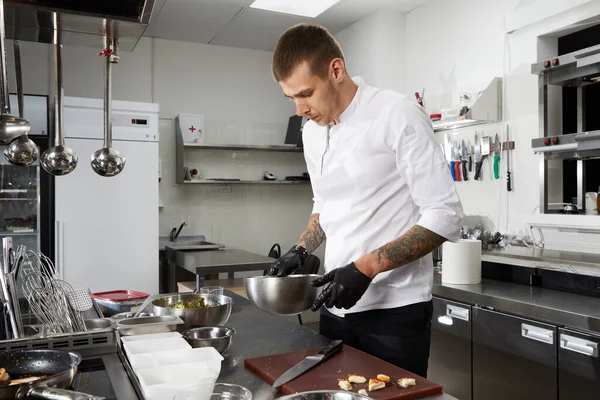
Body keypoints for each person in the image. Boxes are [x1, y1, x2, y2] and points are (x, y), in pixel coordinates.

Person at [267, 23, 463, 378]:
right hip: (335, 304)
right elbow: (323, 203)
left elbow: (445, 216)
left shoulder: (395, 113)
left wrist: (366, 268)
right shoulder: (312, 132)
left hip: (395, 313)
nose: (299, 109)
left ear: (336, 70)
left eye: (306, 93)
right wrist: (300, 249)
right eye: (291, 98)